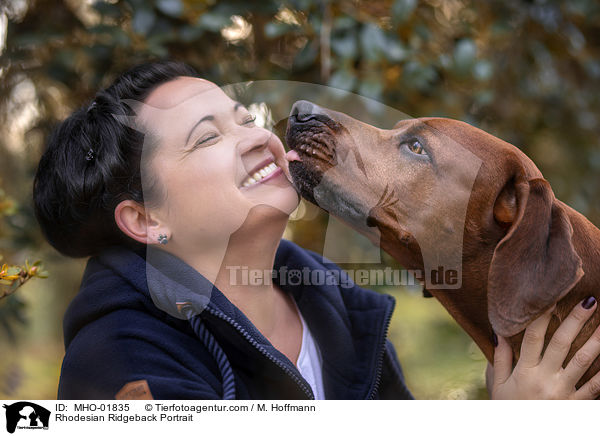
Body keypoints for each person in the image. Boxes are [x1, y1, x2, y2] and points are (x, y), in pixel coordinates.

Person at [33, 61, 600, 400]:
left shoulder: (346, 314)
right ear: (146, 219)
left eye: (246, 118)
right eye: (208, 137)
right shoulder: (120, 363)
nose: (258, 136)